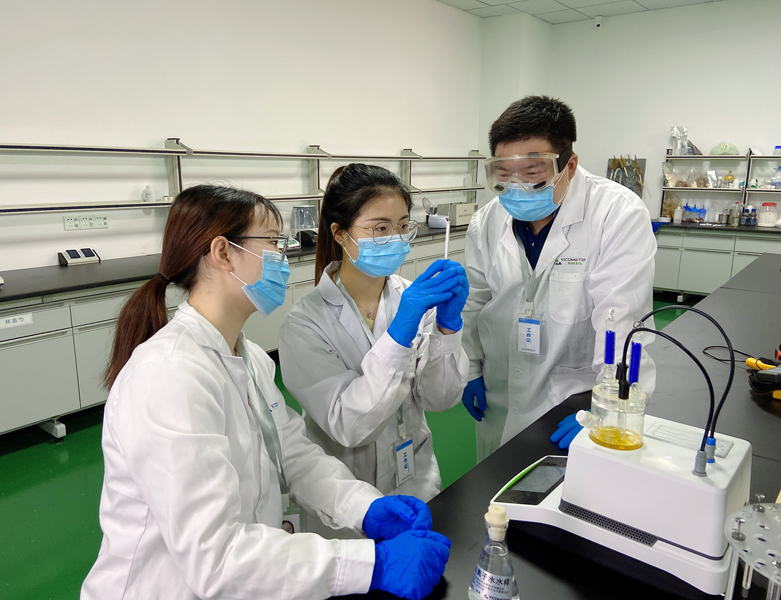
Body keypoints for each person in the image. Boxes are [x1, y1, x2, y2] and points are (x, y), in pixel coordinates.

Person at [81, 185, 451, 600]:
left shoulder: (249, 357)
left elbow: (294, 456)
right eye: (273, 243)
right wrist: (372, 564)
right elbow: (216, 557)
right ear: (223, 253)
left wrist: (364, 508)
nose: (284, 256)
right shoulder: (169, 375)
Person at [461, 96, 656, 462]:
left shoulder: (616, 214)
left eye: (532, 173)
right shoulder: (486, 221)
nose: (516, 186)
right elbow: (475, 301)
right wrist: (470, 367)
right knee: (495, 490)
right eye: (503, 173)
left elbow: (621, 320)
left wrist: (606, 410)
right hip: (499, 394)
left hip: (571, 403)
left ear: (570, 165)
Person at [278, 164, 470, 503]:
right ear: (340, 233)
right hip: (346, 494)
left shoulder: (413, 299)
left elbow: (438, 399)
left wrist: (447, 327)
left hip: (418, 479)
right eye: (380, 228)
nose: (396, 238)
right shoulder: (305, 324)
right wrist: (397, 339)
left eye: (403, 226)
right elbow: (348, 426)